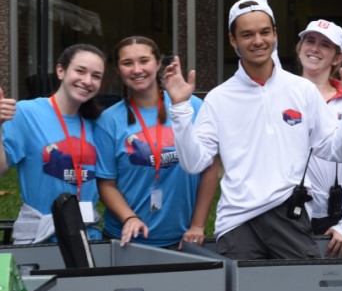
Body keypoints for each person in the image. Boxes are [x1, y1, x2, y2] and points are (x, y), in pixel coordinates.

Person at [162, 0, 342, 260]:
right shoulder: (219, 98)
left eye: (264, 32)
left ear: (275, 35)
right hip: (237, 223)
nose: (258, 41)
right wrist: (179, 108)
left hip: (289, 216)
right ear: (233, 40)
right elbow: (194, 163)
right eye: (247, 34)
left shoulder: (301, 90)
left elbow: (337, 151)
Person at [238, 0, 342, 258]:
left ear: (337, 57)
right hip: (280, 216)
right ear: (298, 47)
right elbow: (260, 16)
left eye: (325, 45)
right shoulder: (280, 85)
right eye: (310, 40)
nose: (315, 48)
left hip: (331, 221)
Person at [94, 36, 219, 248]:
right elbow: (106, 183)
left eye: (144, 61)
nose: (137, 69)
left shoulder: (191, 107)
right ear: (118, 70)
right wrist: (129, 218)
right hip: (125, 239)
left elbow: (209, 168)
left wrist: (197, 226)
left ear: (158, 63)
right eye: (127, 63)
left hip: (182, 238)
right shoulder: (109, 120)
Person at [0, 44, 105, 243]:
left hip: (88, 237)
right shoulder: (27, 113)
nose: (87, 81)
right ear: (60, 70)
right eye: (80, 71)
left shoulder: (97, 122)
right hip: (40, 239)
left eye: (96, 76)